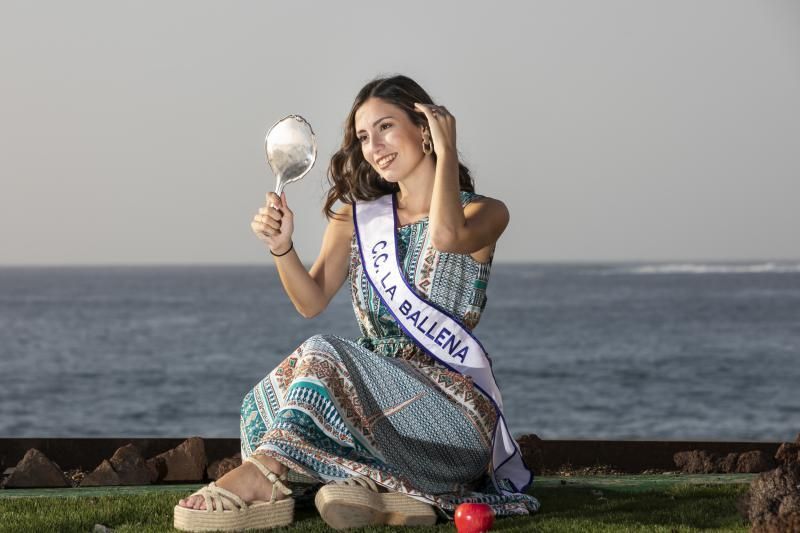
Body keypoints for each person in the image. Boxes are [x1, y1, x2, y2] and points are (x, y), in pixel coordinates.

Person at [174, 74, 541, 531]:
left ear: (425, 128)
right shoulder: (357, 215)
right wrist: (282, 247)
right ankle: (387, 495)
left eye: (386, 127)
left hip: (451, 416)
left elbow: (447, 237)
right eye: (364, 137)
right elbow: (310, 301)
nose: (374, 146)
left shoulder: (484, 212)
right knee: (264, 400)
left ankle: (267, 478)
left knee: (323, 354)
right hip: (372, 402)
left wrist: (447, 152)